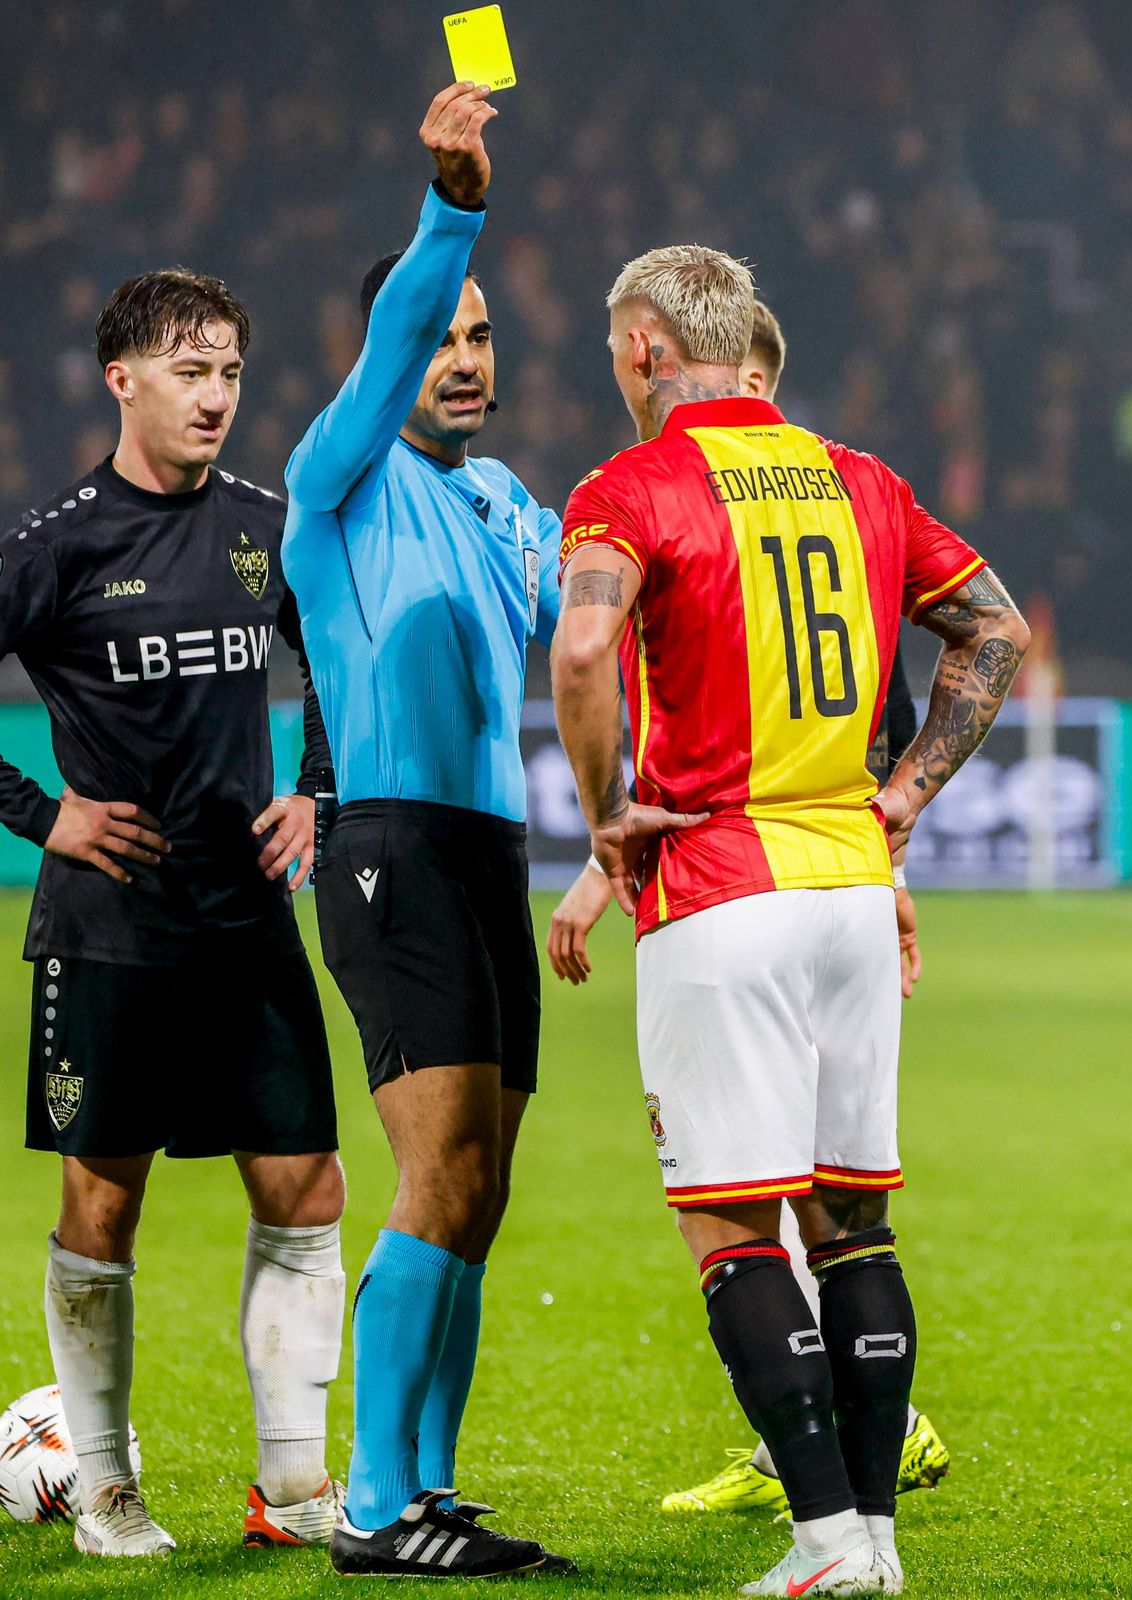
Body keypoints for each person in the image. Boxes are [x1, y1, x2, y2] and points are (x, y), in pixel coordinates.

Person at [551, 246, 1028, 1595]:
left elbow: (586, 651)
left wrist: (603, 814)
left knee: (736, 1230)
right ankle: (871, 1537)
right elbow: (992, 628)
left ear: (646, 349)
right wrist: (907, 797)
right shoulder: (861, 479)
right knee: (853, 1225)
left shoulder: (632, 486)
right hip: (850, 889)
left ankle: (820, 1539)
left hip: (722, 886)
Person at [0, 270, 346, 1558]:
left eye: (232, 375)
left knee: (306, 1186)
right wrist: (46, 815)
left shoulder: (268, 524)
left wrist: (314, 789)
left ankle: (296, 1491)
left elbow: (335, 663)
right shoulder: (60, 545)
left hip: (245, 920)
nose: (217, 399)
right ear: (123, 380)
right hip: (111, 929)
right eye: (190, 373)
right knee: (106, 1202)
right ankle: (103, 1487)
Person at [282, 84, 570, 1580]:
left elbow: (570, 630)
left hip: (488, 856)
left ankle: (433, 1489)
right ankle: (375, 1505)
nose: (460, 359)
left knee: (485, 1185)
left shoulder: (513, 501)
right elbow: (388, 340)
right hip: (388, 849)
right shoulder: (337, 480)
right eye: (436, 338)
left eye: (478, 337)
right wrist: (451, 211)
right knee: (438, 1170)